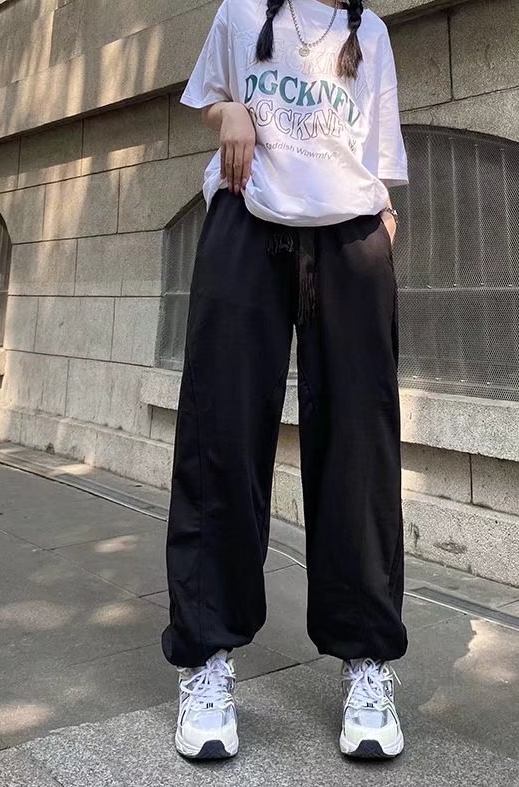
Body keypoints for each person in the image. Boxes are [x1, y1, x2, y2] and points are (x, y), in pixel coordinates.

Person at [161, 0, 409, 761]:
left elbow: (380, 155)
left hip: (349, 236)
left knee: (360, 448)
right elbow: (208, 97)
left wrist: (382, 225)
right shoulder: (242, 13)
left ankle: (366, 661)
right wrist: (232, 110)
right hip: (247, 221)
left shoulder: (370, 32)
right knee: (220, 436)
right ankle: (206, 657)